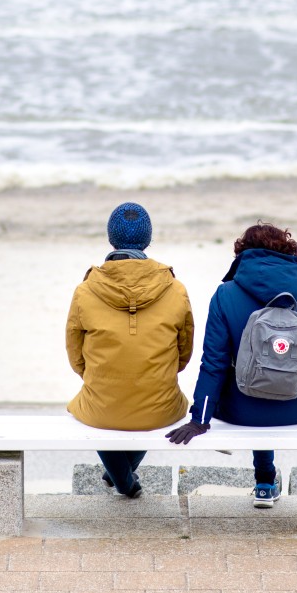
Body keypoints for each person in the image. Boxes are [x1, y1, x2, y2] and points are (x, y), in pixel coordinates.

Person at [166, 222, 297, 508]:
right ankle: (266, 480)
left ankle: (264, 478)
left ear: (242, 255)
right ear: (287, 252)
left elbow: (212, 364)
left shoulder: (225, 295)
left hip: (240, 410)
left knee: (243, 372)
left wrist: (199, 420)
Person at [65, 202, 194, 498]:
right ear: (147, 239)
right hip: (159, 406)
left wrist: (100, 374)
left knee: (101, 405)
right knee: (151, 401)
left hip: (102, 405)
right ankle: (122, 479)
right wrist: (155, 371)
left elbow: (75, 355)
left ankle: (122, 479)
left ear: (112, 238)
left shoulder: (85, 291)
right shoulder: (175, 289)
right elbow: (183, 353)